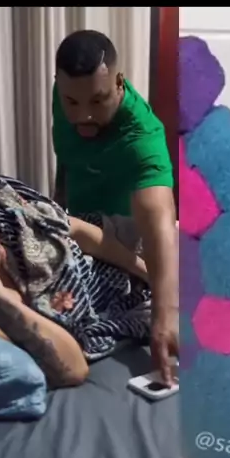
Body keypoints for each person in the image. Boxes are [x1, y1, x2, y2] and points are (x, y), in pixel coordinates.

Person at [52, 29, 178, 384]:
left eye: (98, 101)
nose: (84, 116)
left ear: (119, 82)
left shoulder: (142, 137)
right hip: (78, 224)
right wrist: (58, 203)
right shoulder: (66, 94)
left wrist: (165, 316)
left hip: (123, 239)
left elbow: (158, 219)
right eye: (72, 103)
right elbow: (67, 157)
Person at [0, 186, 151, 390]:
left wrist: (150, 275)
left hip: (124, 246)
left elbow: (78, 230)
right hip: (125, 303)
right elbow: (74, 370)